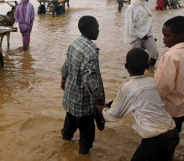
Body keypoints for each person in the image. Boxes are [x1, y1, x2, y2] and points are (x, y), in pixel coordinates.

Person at [97, 48, 179, 161]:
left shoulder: (128, 87)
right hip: (173, 133)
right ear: (146, 66)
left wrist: (101, 110)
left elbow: (115, 114)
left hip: (156, 139)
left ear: (126, 66)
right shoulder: (151, 82)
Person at [61, 16, 105, 155]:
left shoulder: (75, 43)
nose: (98, 30)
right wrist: (99, 103)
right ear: (92, 29)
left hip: (71, 98)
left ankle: (64, 146)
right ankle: (83, 156)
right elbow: (90, 79)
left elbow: (67, 63)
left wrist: (63, 78)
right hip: (84, 105)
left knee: (69, 125)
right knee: (86, 136)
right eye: (97, 28)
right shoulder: (91, 51)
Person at [155, 16, 184, 133]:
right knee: (176, 132)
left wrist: (153, 102)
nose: (164, 39)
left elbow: (163, 86)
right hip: (181, 107)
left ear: (180, 35)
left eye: (167, 35)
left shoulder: (171, 56)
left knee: (166, 135)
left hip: (170, 108)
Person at [124, 0, 158, 66]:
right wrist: (140, 35)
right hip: (136, 36)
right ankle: (138, 75)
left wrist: (147, 33)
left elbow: (148, 22)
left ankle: (149, 71)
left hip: (147, 35)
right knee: (136, 58)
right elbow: (129, 25)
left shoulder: (146, 5)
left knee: (154, 54)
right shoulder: (131, 8)